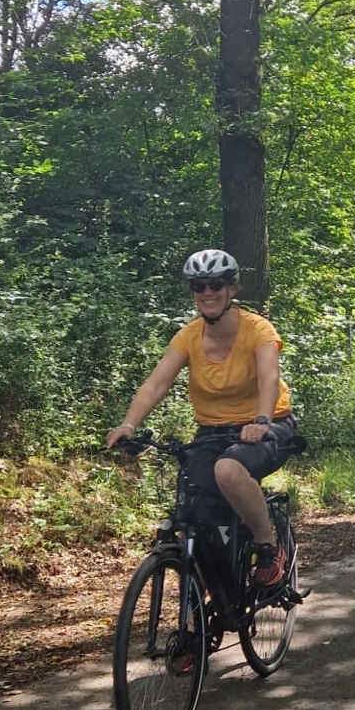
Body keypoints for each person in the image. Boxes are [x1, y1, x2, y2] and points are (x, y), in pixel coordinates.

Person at [106, 249, 297, 586]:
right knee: (198, 511)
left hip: (269, 426)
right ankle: (207, 609)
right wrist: (128, 425)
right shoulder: (189, 337)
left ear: (232, 289)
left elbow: (268, 379)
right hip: (212, 431)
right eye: (198, 286)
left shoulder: (257, 329)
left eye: (216, 284)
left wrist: (262, 421)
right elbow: (156, 384)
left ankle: (268, 545)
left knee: (228, 470)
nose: (207, 292)